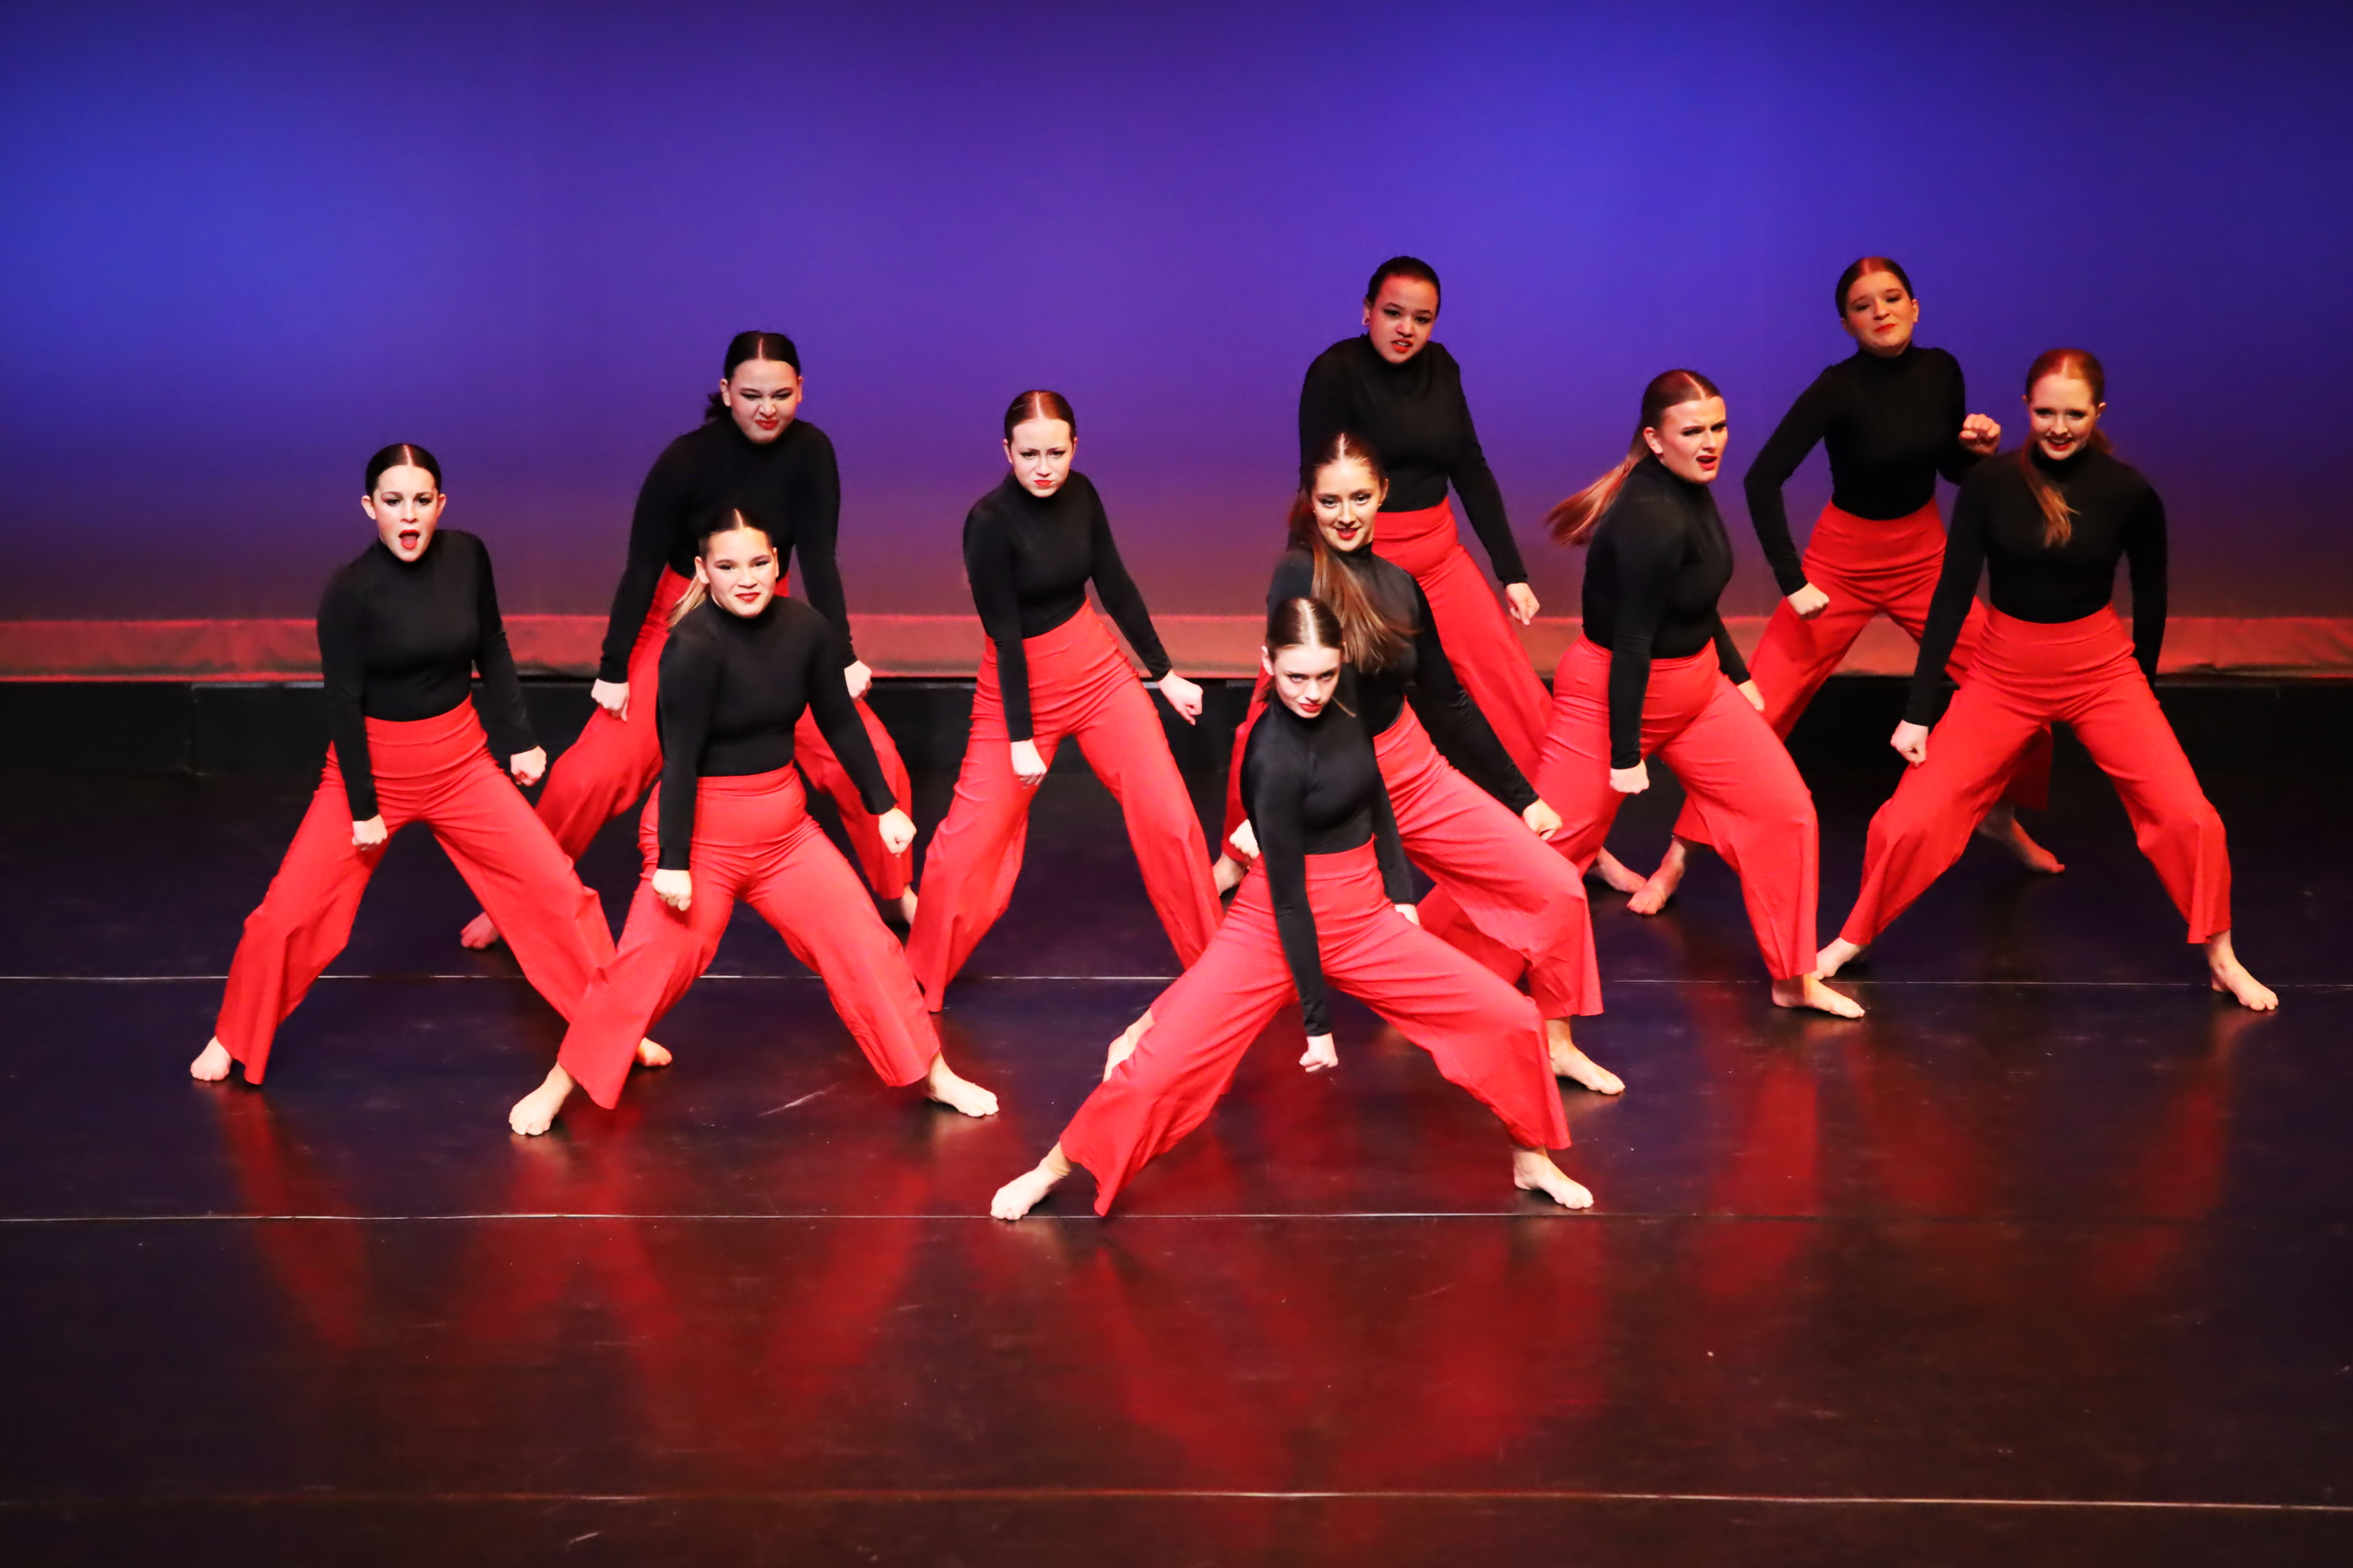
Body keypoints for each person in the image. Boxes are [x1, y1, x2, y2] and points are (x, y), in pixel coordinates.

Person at [989, 598, 1588, 1220]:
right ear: (1267, 662)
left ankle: (1532, 1158)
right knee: (1159, 1069)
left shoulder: (1347, 703)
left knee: (1509, 1017)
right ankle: (1051, 1167)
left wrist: (1402, 896)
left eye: (1325, 674)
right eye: (1296, 676)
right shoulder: (1272, 753)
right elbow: (1290, 900)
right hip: (1275, 925)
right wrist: (1317, 1021)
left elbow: (1376, 797)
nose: (1311, 692)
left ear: (1342, 663)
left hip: (1364, 915)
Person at [508, 510, 1001, 1136]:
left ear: (777, 563)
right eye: (728, 566)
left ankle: (933, 1074)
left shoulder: (806, 630)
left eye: (759, 563)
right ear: (702, 571)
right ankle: (558, 1084)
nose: (746, 578)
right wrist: (674, 863)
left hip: (785, 834)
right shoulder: (692, 647)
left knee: (867, 944)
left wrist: (884, 805)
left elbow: (839, 720)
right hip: (699, 838)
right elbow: (680, 759)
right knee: (645, 967)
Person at [1817, 351, 2274, 1010]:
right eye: (2046, 412)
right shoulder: (1989, 485)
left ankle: (2222, 956)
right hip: (2003, 672)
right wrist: (1917, 710)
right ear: (2026, 408)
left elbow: (2152, 596)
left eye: (2075, 414)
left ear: (2099, 413)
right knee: (1908, 820)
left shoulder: (2128, 492)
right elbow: (1951, 595)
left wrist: (2143, 689)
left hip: (2101, 671)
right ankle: (1854, 935)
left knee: (2190, 817)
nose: (2059, 427)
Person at [1616, 257, 2059, 913]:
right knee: (1757, 714)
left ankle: (1998, 813)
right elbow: (1762, 478)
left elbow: (1949, 469)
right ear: (1847, 323)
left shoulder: (1942, 371)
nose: (1881, 312)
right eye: (1862, 305)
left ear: (1915, 307)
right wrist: (1793, 580)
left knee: (2017, 686)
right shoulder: (1836, 388)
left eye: (1892, 298)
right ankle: (1676, 860)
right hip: (1840, 564)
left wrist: (1978, 452)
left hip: (1922, 555)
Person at [191, 445, 635, 1086]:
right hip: (370, 772)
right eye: (393, 501)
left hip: (461, 763)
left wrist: (519, 739)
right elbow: (342, 703)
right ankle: (232, 1034)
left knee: (557, 890)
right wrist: (364, 808)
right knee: (287, 913)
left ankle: (615, 1027)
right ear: (369, 507)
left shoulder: (468, 556)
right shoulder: (350, 589)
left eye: (422, 501)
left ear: (440, 504)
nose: (408, 515)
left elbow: (492, 646)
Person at [458, 331, 918, 950]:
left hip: (771, 622)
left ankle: (893, 889)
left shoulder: (812, 452)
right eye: (751, 395)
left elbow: (820, 560)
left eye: (781, 394)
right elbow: (641, 567)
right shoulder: (685, 460)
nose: (767, 408)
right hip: (679, 623)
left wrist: (843, 655)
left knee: (873, 752)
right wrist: (614, 666)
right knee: (587, 777)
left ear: (801, 390)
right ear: (726, 392)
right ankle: (514, 902)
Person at [1197, 432, 1618, 1093]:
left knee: (1558, 889)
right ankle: (1152, 1043)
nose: (1346, 515)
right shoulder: (1298, 574)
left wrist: (1522, 796)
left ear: (1384, 495)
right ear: (1310, 501)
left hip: (1414, 772)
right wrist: (1270, 803)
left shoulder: (1400, 584)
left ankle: (1557, 1041)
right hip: (1332, 790)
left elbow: (1447, 699)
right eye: (1330, 501)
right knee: (1255, 962)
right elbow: (1280, 695)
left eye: (1360, 498)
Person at [1536, 372, 1863, 1018]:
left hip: (1696, 690)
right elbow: (1633, 640)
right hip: (1612, 697)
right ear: (1656, 440)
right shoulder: (1650, 517)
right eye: (1693, 431)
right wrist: (1625, 754)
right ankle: (1450, 973)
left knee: (1784, 813)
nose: (1711, 442)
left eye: (1719, 427)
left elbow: (1695, 599)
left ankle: (1793, 978)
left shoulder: (1689, 488)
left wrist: (1736, 672)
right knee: (1544, 855)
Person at [904, 391, 1221, 1010]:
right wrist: (1022, 738)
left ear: (1076, 446)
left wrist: (1165, 674)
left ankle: (1217, 970)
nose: (1044, 467)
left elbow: (1116, 585)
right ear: (1007, 451)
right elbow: (1004, 636)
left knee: (1172, 820)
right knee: (961, 850)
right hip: (1017, 691)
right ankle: (919, 979)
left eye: (1056, 452)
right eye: (1029, 455)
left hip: (1097, 672)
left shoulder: (1083, 494)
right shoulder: (988, 521)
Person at [1293, 257, 1552, 787]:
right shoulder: (1334, 372)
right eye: (1393, 313)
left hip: (1438, 559)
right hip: (1359, 562)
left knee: (1510, 685)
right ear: (1367, 311)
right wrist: (1314, 575)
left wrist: (1512, 573)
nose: (1406, 328)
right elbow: (1316, 483)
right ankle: (1257, 827)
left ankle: (1559, 816)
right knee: (1299, 683)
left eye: (1422, 318)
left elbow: (1469, 467)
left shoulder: (1442, 367)